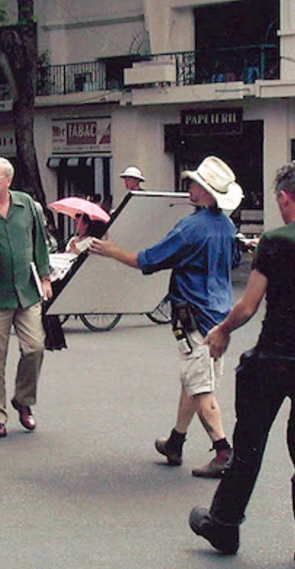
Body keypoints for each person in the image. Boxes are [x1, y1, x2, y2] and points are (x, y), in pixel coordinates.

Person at [189, 160, 295, 568]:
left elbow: (248, 305)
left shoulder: (277, 241)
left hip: (276, 356)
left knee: (250, 444)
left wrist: (222, 331)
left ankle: (224, 523)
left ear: (284, 197)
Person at [90, 156, 242, 478]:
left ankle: (223, 450)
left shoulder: (190, 228)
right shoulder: (227, 226)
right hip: (220, 315)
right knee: (195, 379)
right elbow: (235, 259)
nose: (188, 186)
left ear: (204, 191)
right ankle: (176, 441)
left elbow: (148, 260)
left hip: (194, 317)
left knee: (201, 388)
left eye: (194, 183)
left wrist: (112, 251)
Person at [0, 157, 52, 438]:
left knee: (35, 347)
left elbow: (39, 239)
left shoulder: (25, 204)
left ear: (8, 181)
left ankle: (23, 400)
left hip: (27, 290)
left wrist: (44, 275)